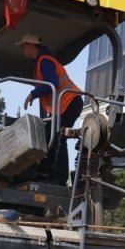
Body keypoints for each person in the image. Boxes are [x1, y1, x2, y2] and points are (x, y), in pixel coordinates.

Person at [19, 32, 84, 183]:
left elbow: (52, 83)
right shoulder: (41, 61)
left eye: (23, 46)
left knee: (58, 137)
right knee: (50, 136)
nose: (22, 50)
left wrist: (33, 94)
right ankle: (51, 174)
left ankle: (59, 178)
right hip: (65, 104)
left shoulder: (45, 61)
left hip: (70, 102)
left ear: (30, 46)